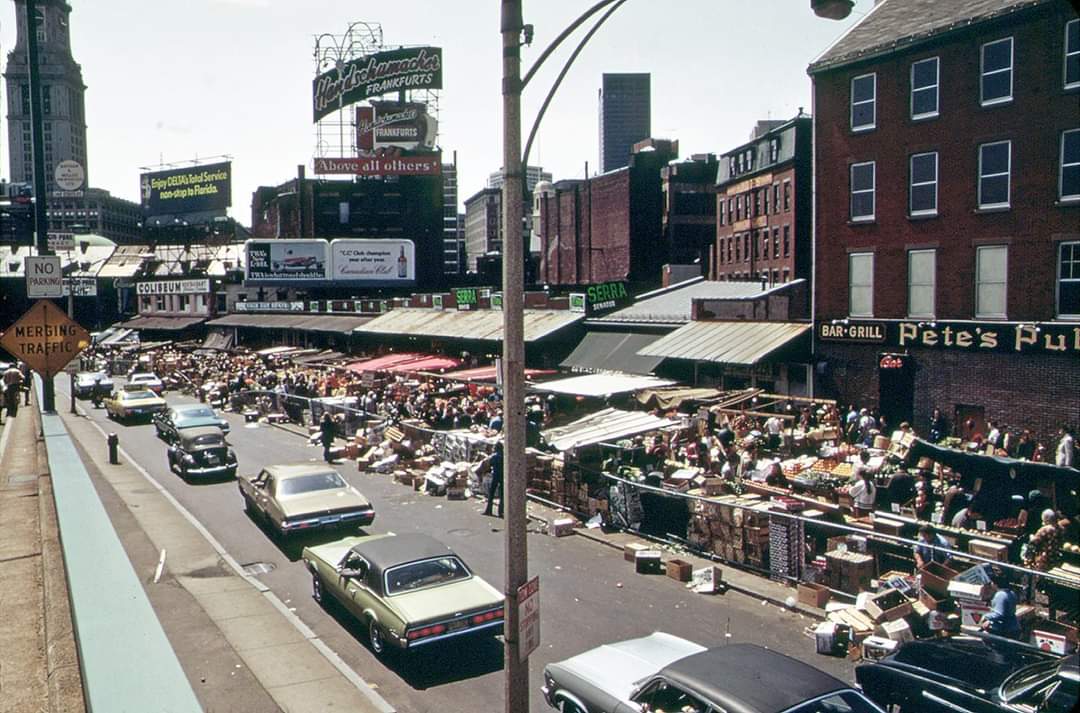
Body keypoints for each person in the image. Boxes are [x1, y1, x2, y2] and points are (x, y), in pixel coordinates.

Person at [981, 570, 1021, 639]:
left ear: (995, 584)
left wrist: (985, 616)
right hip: (1014, 627)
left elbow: (999, 614)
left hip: (1005, 629)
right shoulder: (1011, 593)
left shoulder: (1000, 595)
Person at [483, 441, 504, 518]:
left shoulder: (494, 456)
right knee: (502, 495)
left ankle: (489, 509)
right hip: (502, 476)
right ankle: (501, 511)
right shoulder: (504, 456)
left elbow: (489, 465)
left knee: (491, 493)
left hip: (495, 476)